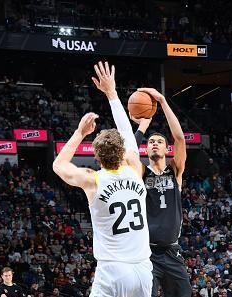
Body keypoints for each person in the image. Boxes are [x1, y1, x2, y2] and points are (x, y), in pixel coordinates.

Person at [53, 61, 152, 297]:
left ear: (96, 157)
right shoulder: (135, 169)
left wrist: (80, 133)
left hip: (113, 270)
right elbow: (128, 135)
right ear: (124, 153)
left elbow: (58, 165)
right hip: (143, 269)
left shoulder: (92, 180)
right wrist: (112, 93)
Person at [133, 88, 191, 297]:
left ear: (167, 149)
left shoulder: (175, 171)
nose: (154, 143)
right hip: (147, 253)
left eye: (159, 142)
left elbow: (180, 139)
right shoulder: (140, 171)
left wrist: (163, 102)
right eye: (150, 142)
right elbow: (129, 153)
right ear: (146, 150)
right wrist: (143, 126)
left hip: (172, 251)